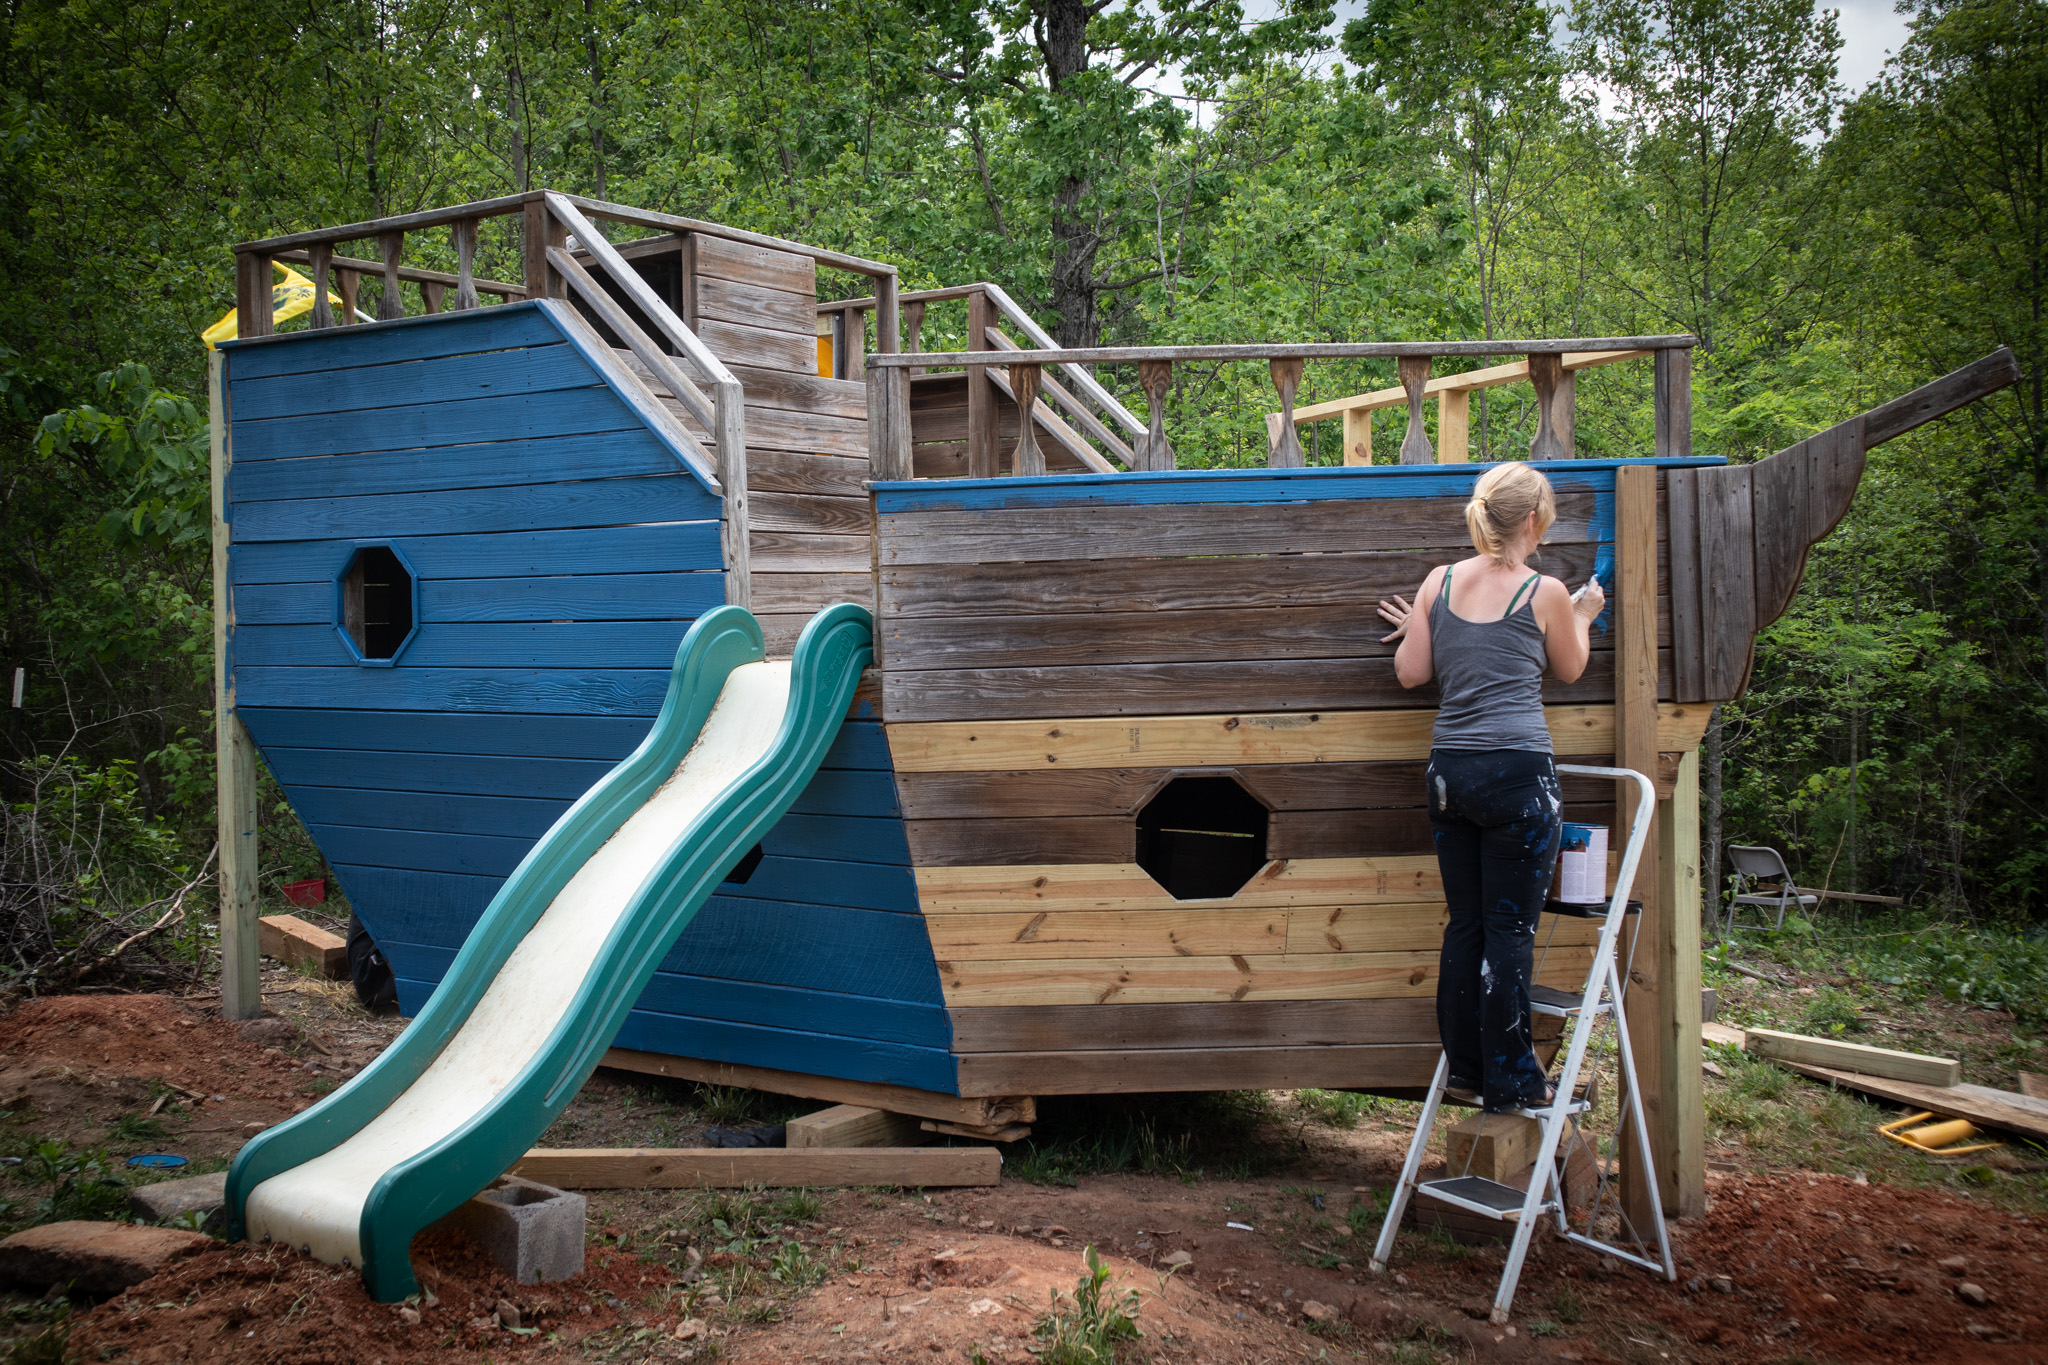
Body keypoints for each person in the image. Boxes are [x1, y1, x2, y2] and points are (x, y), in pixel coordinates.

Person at [1375, 462, 1605, 1113]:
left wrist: (1422, 627)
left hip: (1450, 774)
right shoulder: (1547, 592)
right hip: (1518, 777)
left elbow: (1411, 673)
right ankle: (1513, 1080)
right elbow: (1570, 666)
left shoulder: (1438, 582)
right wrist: (1585, 613)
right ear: (1531, 521)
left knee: (1466, 927)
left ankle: (1468, 1072)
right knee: (1509, 933)